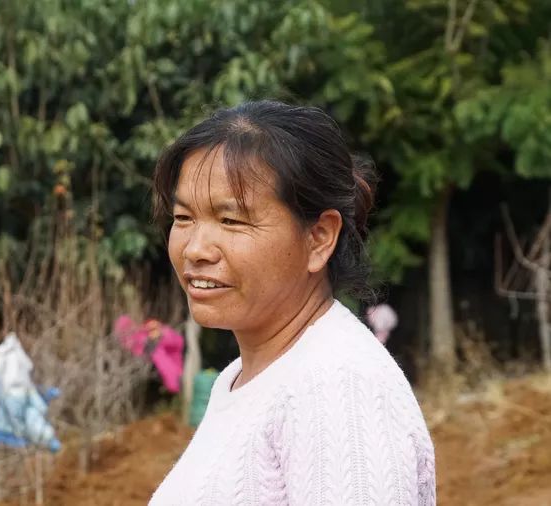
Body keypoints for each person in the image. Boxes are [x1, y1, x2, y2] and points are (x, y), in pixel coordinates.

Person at [149, 100, 435, 505]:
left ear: (319, 237)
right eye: (183, 218)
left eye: (231, 220)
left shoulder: (339, 390)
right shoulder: (244, 378)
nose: (195, 249)